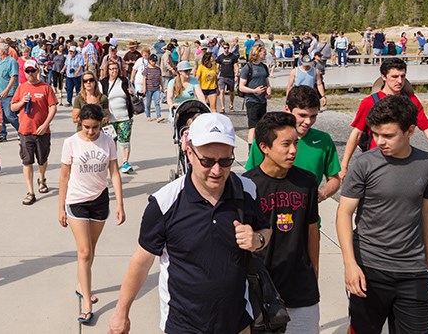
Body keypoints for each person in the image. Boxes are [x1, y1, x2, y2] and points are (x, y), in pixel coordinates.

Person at [107, 113, 271, 334]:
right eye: (207, 161)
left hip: (237, 322)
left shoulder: (248, 190)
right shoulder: (164, 203)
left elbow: (266, 229)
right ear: (189, 152)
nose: (216, 170)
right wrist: (121, 312)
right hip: (183, 325)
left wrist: (257, 240)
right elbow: (141, 262)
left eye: (225, 161)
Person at [336, 95, 428, 334]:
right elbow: (344, 213)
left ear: (410, 131)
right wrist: (350, 264)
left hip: (413, 271)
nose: (379, 141)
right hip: (369, 268)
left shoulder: (427, 164)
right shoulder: (363, 164)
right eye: (375, 134)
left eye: (388, 135)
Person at [244, 112, 321, 333]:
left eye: (295, 143)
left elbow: (312, 231)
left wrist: (313, 274)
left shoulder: (307, 181)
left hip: (300, 288)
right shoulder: (247, 185)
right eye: (286, 144)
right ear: (264, 147)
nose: (294, 150)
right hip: (261, 290)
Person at [58, 104, 125, 325]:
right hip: (76, 201)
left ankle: (81, 285)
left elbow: (114, 173)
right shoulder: (70, 143)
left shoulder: (108, 141)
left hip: (99, 201)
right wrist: (61, 208)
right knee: (84, 251)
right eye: (86, 127)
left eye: (95, 127)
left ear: (101, 123)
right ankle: (86, 302)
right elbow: (64, 177)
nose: (90, 131)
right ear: (80, 124)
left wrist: (120, 204)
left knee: (91, 249)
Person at [340, 58, 428, 179]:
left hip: (403, 159)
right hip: (376, 158)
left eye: (402, 76)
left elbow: (427, 128)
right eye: (394, 76)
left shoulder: (412, 101)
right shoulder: (369, 102)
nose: (399, 81)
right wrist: (344, 165)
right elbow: (356, 133)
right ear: (383, 77)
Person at [246, 85, 341, 203]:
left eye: (313, 116)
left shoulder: (324, 140)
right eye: (302, 115)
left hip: (306, 218)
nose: (308, 122)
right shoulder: (267, 139)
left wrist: (321, 195)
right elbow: (250, 178)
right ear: (287, 109)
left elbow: (334, 179)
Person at [11, 59, 58, 206]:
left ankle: (42, 178)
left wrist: (45, 124)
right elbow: (13, 107)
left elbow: (53, 107)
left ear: (37, 70)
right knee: (27, 161)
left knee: (42, 160)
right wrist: (21, 102)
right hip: (25, 131)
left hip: (42, 131)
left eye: (33, 70)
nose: (30, 74)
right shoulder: (21, 88)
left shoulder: (46, 88)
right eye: (27, 71)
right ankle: (31, 192)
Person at [101, 61, 136, 174]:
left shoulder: (124, 81)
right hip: (110, 119)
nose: (114, 71)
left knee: (124, 141)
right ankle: (112, 162)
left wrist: (132, 92)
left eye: (116, 69)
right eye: (111, 69)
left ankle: (125, 162)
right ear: (108, 70)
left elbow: (131, 93)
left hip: (124, 116)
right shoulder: (103, 83)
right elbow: (101, 99)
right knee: (111, 142)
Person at [238, 45, 272, 144]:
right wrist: (254, 91)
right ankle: (250, 150)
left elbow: (267, 82)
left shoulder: (264, 67)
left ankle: (259, 147)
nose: (265, 54)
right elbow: (241, 87)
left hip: (262, 100)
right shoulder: (247, 67)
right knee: (253, 126)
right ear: (257, 53)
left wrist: (268, 91)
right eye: (263, 52)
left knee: (262, 126)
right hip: (252, 100)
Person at [0, 43, 21, 142]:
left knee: (10, 115)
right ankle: (2, 134)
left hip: (8, 93)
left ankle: (21, 130)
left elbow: (14, 76)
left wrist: (7, 90)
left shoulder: (11, 62)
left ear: (3, 51)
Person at [142, 54, 165, 123]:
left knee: (157, 102)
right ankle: (148, 116)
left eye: (155, 61)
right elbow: (144, 79)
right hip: (149, 88)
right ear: (149, 61)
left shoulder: (158, 69)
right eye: (153, 61)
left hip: (156, 88)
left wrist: (162, 87)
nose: (154, 62)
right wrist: (144, 88)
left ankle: (158, 116)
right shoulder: (146, 69)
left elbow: (160, 79)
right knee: (148, 103)